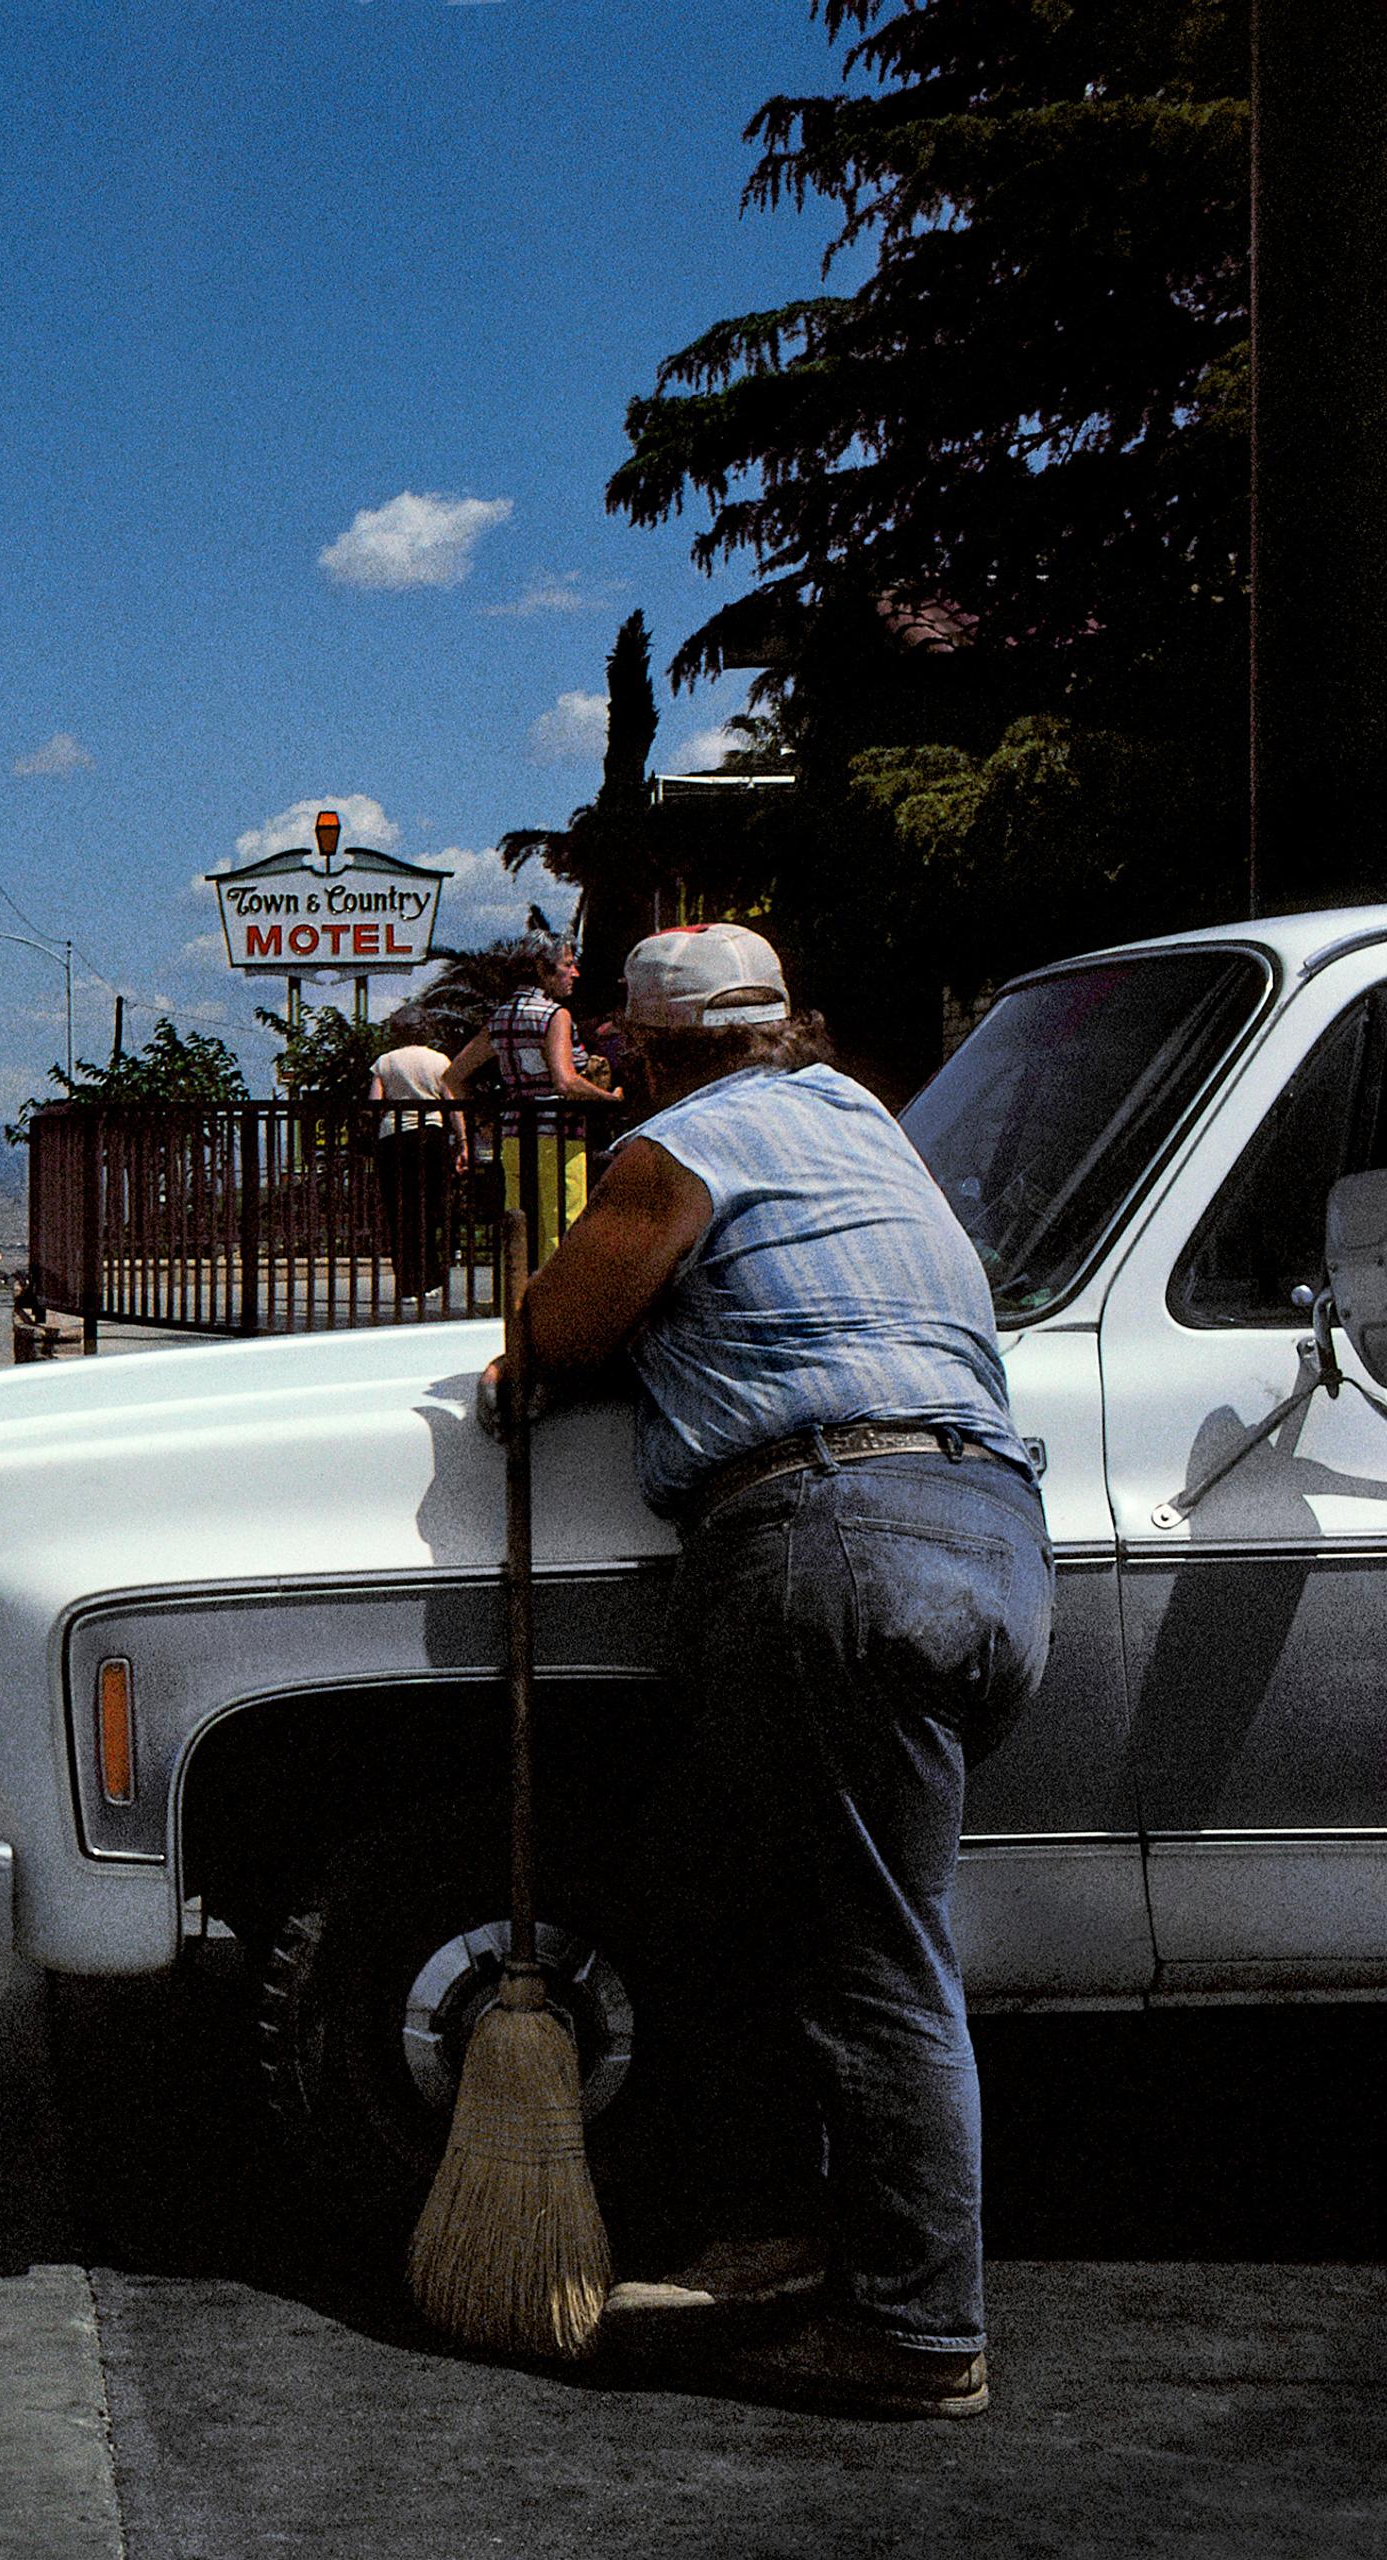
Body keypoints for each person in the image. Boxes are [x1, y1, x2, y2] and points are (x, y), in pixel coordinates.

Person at [482, 922, 1050, 2423]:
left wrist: (521, 1351)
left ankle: (920, 2334)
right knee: (728, 1895)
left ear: (652, 1054)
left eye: (622, 1054)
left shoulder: (675, 1155)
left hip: (833, 1540)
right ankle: (775, 2232)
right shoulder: (861, 1121)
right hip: (989, 1540)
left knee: (873, 1957)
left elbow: (555, 1333)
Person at [444, 938, 618, 1258]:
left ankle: (515, 1296)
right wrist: (607, 1098)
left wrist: (483, 1120)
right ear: (543, 969)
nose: (574, 973)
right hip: (559, 1135)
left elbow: (454, 1076)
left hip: (513, 1135)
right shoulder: (555, 1015)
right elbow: (565, 1081)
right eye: (567, 965)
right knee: (564, 1221)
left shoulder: (500, 1017)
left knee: (518, 1220)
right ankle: (561, 1298)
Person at [365, 1010, 462, 1299]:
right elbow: (452, 1101)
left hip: (393, 1137)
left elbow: (374, 1104)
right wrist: (463, 1140)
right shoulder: (439, 1060)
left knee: (399, 1211)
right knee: (428, 1209)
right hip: (430, 1135)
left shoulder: (385, 1062)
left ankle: (407, 1284)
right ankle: (431, 1278)